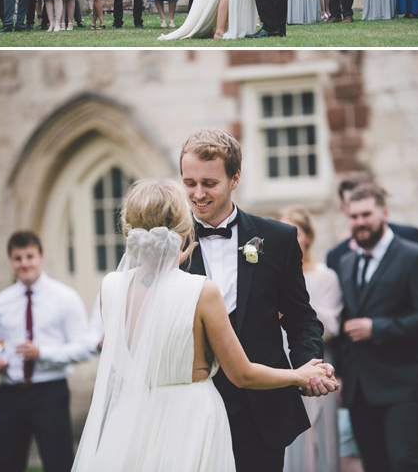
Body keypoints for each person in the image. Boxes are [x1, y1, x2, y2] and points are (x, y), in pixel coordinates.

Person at [72, 179, 335, 472]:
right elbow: (243, 374)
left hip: (137, 417)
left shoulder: (110, 286)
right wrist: (299, 375)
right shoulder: (200, 290)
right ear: (184, 228)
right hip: (192, 416)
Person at [179, 129, 331, 472]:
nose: (198, 194)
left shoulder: (277, 238)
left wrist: (310, 367)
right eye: (189, 183)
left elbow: (300, 317)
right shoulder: (169, 243)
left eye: (209, 183)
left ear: (235, 178)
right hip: (191, 404)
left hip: (261, 409)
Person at [336, 184, 418, 472]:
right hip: (360, 388)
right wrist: (342, 375)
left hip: (404, 383)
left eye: (366, 214)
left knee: (403, 461)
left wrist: (378, 329)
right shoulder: (346, 263)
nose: (360, 222)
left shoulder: (415, 257)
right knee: (374, 465)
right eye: (354, 216)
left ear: (384, 213)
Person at [0, 231, 90, 472]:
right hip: (11, 393)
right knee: (5, 463)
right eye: (18, 258)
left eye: (29, 256)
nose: (24, 263)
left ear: (40, 256)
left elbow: (83, 347)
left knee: (58, 463)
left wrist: (43, 353)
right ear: (11, 261)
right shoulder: (0, 303)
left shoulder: (65, 298)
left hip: (50, 392)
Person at [277, 207, 343, 472]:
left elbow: (330, 325)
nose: (289, 238)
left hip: (315, 360)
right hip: (278, 365)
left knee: (320, 436)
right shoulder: (273, 277)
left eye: (296, 231)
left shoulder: (325, 276)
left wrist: (294, 310)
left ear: (308, 237)